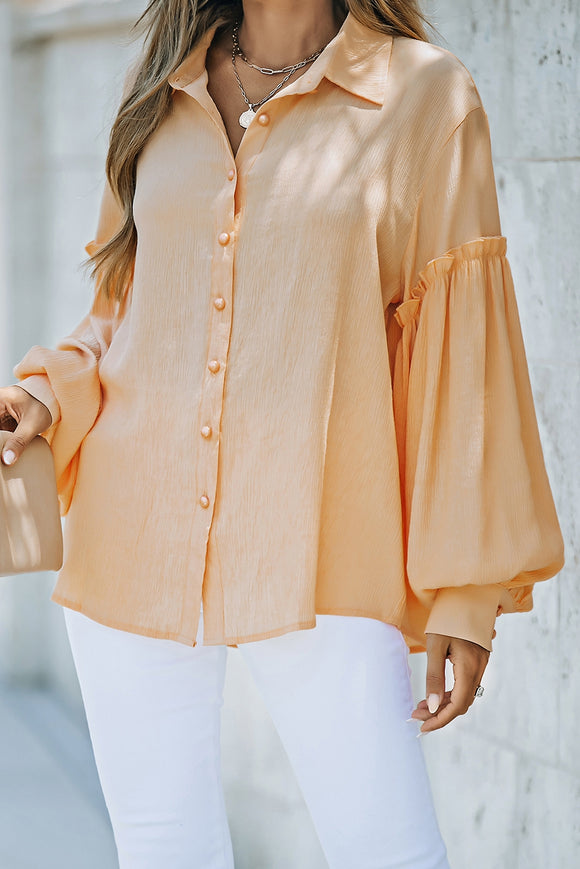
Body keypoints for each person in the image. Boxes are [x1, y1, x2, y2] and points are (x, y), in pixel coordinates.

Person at [0, 1, 565, 867]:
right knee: (160, 847)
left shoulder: (426, 98)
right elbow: (124, 316)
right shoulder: (162, 85)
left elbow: (463, 360)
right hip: (133, 527)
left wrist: (467, 589)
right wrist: (45, 393)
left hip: (323, 541)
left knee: (388, 850)